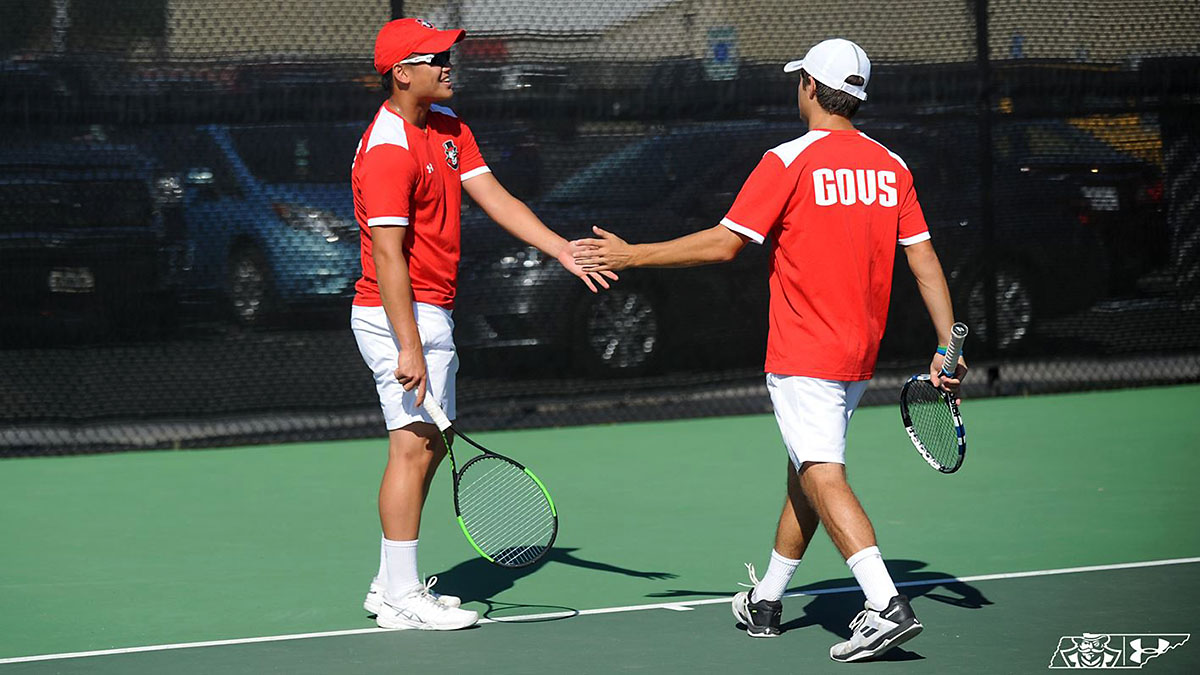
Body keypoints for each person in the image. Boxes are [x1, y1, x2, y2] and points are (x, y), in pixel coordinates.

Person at [572, 38, 967, 662]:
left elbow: (726, 244)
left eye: (799, 80)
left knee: (821, 472)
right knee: (805, 469)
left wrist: (632, 254)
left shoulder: (788, 159)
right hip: (859, 353)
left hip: (805, 348)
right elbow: (923, 262)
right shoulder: (893, 167)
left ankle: (884, 603)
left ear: (809, 86)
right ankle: (768, 600)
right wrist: (950, 344)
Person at [351, 18, 616, 632]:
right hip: (398, 312)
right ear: (401, 72)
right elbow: (388, 254)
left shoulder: (448, 129)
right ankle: (400, 596)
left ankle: (391, 584)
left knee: (434, 445)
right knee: (413, 449)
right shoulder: (388, 150)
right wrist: (409, 344)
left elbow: (494, 196)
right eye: (436, 56)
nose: (449, 64)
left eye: (449, 53)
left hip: (429, 307)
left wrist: (559, 249)